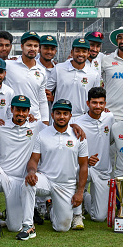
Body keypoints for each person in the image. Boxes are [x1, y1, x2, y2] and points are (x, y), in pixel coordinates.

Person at [24, 99, 89, 233]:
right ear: (52, 114)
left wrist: (80, 192)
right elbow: (34, 160)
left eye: (65, 113)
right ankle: (28, 225)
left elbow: (83, 166)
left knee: (62, 227)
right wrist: (31, 172)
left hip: (66, 185)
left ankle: (53, 209)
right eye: (58, 113)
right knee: (28, 183)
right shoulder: (42, 134)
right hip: (46, 180)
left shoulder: (78, 136)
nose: (61, 117)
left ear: (70, 116)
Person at [0, 95, 43, 241]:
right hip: (2, 173)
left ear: (29, 112)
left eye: (24, 110)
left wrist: (75, 126)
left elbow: (58, 126)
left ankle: (8, 217)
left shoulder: (36, 126)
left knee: (14, 226)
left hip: (20, 179)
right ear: (12, 109)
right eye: (18, 109)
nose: (21, 114)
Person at [72, 87, 115, 228]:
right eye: (94, 102)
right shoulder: (78, 123)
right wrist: (85, 159)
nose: (98, 106)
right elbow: (72, 150)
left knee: (99, 217)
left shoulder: (110, 117)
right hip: (85, 168)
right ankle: (77, 215)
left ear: (105, 104)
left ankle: (86, 198)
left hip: (103, 171)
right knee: (77, 171)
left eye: (101, 103)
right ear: (87, 103)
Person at [46, 38, 101, 117]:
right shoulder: (59, 68)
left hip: (82, 117)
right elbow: (47, 91)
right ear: (72, 52)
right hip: (61, 116)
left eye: (84, 51)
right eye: (77, 51)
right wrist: (54, 99)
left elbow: (96, 98)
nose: (80, 54)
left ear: (88, 53)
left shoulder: (94, 74)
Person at [5, 32, 49, 124]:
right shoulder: (8, 65)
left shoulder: (41, 70)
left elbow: (42, 99)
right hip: (12, 119)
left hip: (34, 120)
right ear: (22, 46)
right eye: (29, 45)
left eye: (35, 46)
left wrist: (45, 121)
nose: (32, 49)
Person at [38, 34, 58, 112]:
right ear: (39, 49)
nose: (49, 51)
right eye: (46, 48)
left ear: (55, 51)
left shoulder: (58, 69)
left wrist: (53, 99)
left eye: (52, 49)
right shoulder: (32, 67)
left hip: (51, 111)